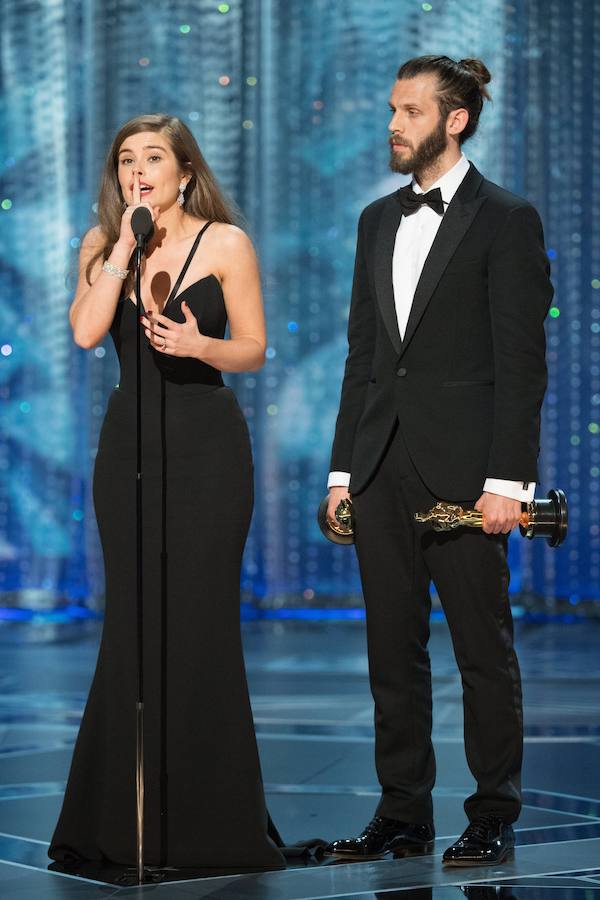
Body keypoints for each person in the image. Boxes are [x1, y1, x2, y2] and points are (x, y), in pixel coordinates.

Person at [324, 56, 553, 867]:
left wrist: (506, 484)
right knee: (393, 650)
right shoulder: (375, 220)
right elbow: (365, 356)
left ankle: (493, 810)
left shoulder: (506, 218)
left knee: (482, 652)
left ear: (454, 120)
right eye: (392, 108)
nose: (393, 123)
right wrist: (343, 471)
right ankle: (402, 811)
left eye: (411, 111)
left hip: (465, 474)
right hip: (382, 463)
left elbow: (522, 364)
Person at [48, 114, 285, 871]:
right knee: (134, 626)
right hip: (128, 451)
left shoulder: (225, 243)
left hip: (209, 449)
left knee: (198, 625)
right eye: (125, 160)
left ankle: (212, 826)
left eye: (153, 158)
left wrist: (198, 345)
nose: (137, 171)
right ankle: (120, 824)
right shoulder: (101, 245)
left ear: (186, 171)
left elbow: (253, 347)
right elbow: (87, 333)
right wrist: (122, 245)